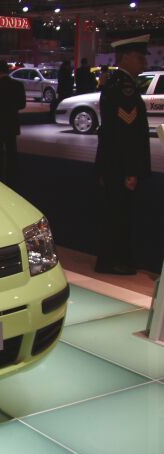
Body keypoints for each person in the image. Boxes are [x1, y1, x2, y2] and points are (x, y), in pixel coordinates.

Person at [94, 34, 151, 275]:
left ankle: (119, 258)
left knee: (117, 213)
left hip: (111, 163)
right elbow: (126, 135)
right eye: (139, 58)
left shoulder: (115, 83)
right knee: (119, 215)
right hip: (120, 166)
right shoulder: (125, 88)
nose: (144, 64)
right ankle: (112, 260)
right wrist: (131, 170)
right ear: (125, 57)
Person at [0, 60, 26, 190]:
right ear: (8, 71)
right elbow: (22, 104)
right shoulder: (18, 85)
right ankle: (12, 181)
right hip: (11, 122)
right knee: (11, 153)